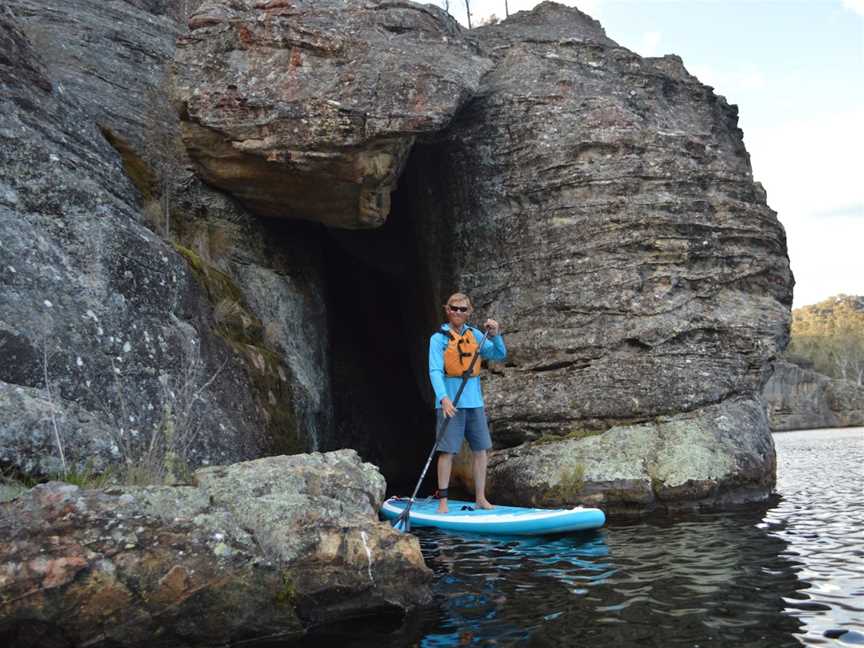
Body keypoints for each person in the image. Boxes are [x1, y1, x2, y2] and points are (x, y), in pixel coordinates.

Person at [428, 292, 506, 514]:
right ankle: (443, 501)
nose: (458, 312)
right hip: (450, 402)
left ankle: (480, 498)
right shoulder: (438, 339)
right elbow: (434, 370)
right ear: (447, 309)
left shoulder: (476, 335)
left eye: (463, 309)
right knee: (447, 451)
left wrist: (495, 334)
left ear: (469, 312)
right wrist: (443, 398)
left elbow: (500, 354)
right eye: (454, 308)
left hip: (474, 402)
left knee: (481, 450)